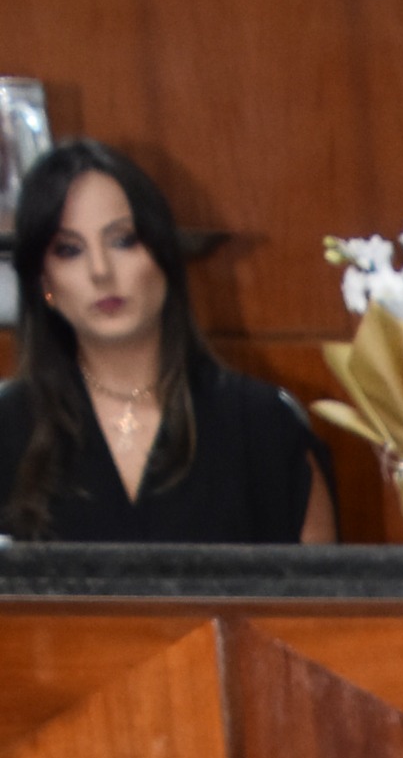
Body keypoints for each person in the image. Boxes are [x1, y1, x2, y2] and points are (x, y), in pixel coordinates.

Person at [1, 142, 333, 544]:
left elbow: (317, 584)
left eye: (123, 240)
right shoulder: (9, 427)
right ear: (44, 283)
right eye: (69, 250)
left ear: (163, 254)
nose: (101, 271)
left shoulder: (263, 426)